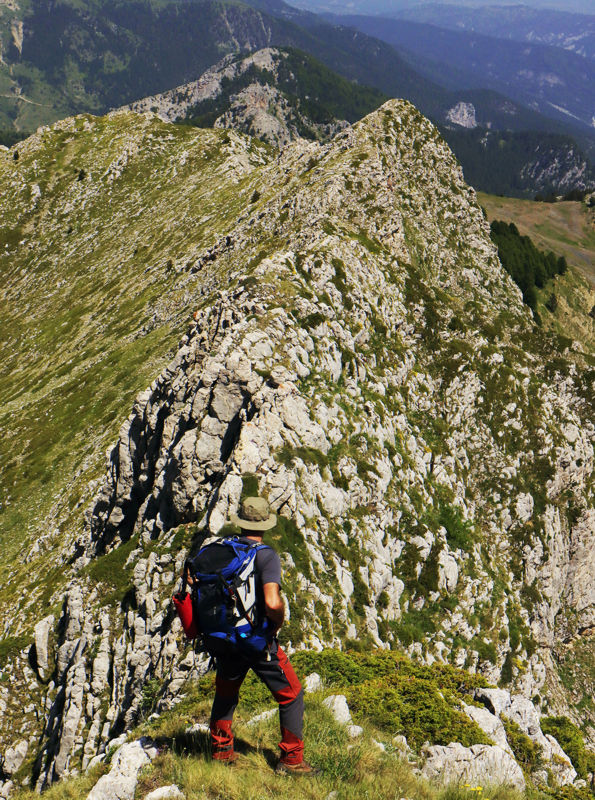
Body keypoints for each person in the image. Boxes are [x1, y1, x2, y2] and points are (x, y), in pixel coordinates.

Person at [186, 496, 317, 775]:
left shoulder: (219, 549)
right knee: (291, 694)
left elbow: (190, 581)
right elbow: (271, 602)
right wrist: (276, 623)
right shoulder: (265, 555)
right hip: (254, 640)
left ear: (241, 522)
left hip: (222, 637)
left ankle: (222, 752)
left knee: (226, 693)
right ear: (265, 524)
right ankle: (292, 760)